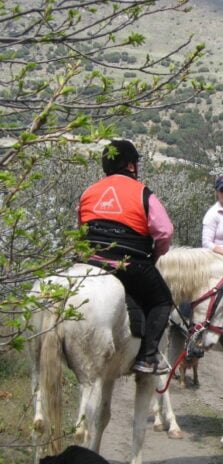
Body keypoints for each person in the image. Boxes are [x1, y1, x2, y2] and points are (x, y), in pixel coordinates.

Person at [79, 139, 174, 375]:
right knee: (162, 300)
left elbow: (80, 226)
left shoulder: (89, 192)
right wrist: (156, 254)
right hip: (131, 264)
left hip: (92, 261)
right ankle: (148, 357)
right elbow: (165, 232)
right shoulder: (143, 193)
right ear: (131, 166)